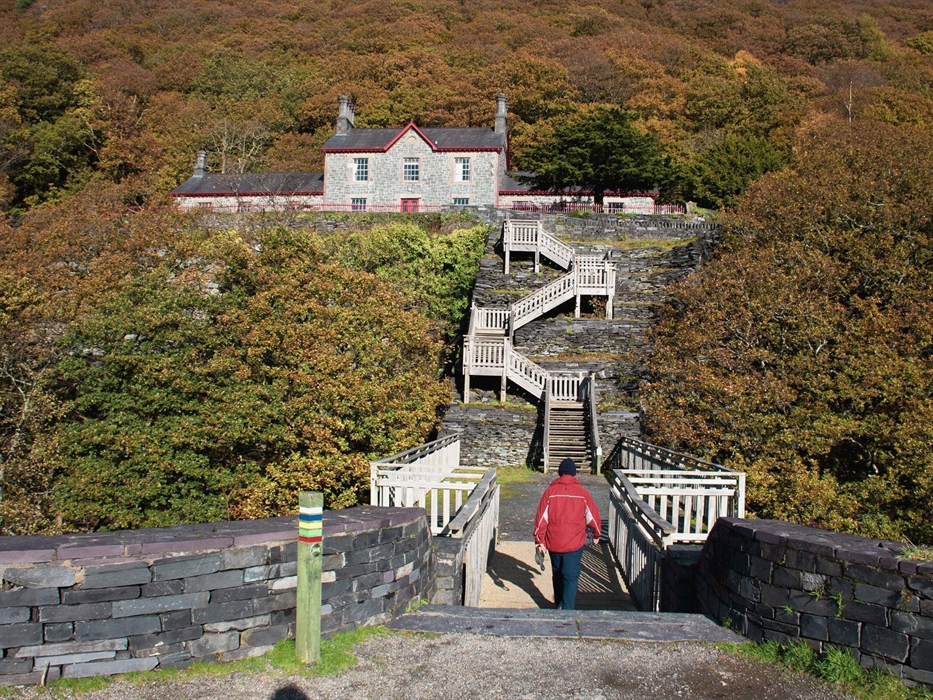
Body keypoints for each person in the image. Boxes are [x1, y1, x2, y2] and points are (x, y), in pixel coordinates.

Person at [533, 457, 602, 610]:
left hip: (554, 541)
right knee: (570, 576)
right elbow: (593, 517)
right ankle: (567, 608)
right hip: (574, 542)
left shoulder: (550, 492)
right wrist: (596, 535)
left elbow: (541, 519)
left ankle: (558, 603)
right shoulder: (583, 494)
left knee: (557, 574)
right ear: (574, 474)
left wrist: (539, 540)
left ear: (560, 473)